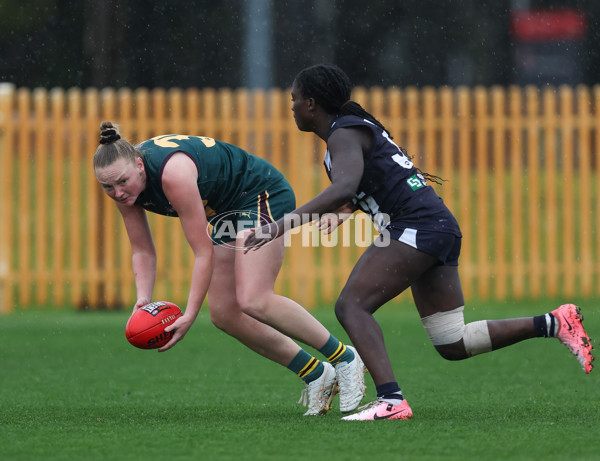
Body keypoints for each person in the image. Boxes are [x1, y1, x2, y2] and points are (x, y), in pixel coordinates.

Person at [244, 64, 594, 421]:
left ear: (312, 104)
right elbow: (369, 182)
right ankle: (554, 322)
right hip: (435, 226)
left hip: (417, 226)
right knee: (452, 342)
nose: (292, 107)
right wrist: (345, 210)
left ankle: (391, 401)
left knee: (351, 305)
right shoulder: (348, 132)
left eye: (295, 99)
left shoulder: (342, 133)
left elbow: (346, 186)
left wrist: (281, 226)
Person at [93, 121, 368, 416]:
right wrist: (143, 298)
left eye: (122, 182)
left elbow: (202, 253)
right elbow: (142, 249)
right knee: (225, 314)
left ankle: (345, 357)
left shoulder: (173, 175)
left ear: (139, 164)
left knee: (254, 298)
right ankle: (316, 374)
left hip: (261, 194)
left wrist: (189, 314)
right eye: (107, 186)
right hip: (228, 210)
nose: (118, 192)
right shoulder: (125, 183)